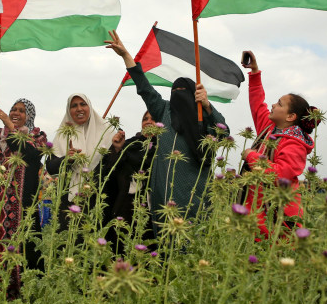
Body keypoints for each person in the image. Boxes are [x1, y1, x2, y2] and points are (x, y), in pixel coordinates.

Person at [105, 30, 229, 230]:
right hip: (163, 194)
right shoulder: (164, 111)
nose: (178, 96)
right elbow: (144, 88)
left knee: (192, 238)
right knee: (165, 242)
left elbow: (222, 132)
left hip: (194, 193)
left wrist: (207, 105)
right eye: (174, 92)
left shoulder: (201, 115)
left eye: (183, 93)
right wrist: (127, 56)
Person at [0, 99, 48, 297]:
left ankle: (27, 292)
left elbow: (31, 153)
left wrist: (9, 125)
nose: (16, 112)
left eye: (21, 111)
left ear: (29, 116)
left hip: (22, 205)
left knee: (25, 245)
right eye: (13, 109)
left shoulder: (36, 135)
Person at [239, 50, 315, 238]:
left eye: (279, 104)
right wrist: (254, 72)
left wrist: (251, 156)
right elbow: (258, 103)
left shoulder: (296, 144)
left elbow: (280, 174)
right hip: (256, 212)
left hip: (277, 218)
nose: (273, 105)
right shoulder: (269, 128)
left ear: (290, 117)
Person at [45, 93, 114, 228]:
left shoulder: (106, 132)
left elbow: (113, 164)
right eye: (74, 105)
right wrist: (67, 159)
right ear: (68, 111)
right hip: (69, 198)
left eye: (83, 104)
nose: (79, 109)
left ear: (89, 107)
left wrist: (117, 147)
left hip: (98, 196)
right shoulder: (63, 135)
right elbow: (51, 167)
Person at [100, 110, 157, 252]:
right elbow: (110, 174)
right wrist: (118, 150)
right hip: (126, 209)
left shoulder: (164, 148)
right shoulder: (131, 145)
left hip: (151, 211)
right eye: (145, 119)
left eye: (153, 118)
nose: (148, 121)